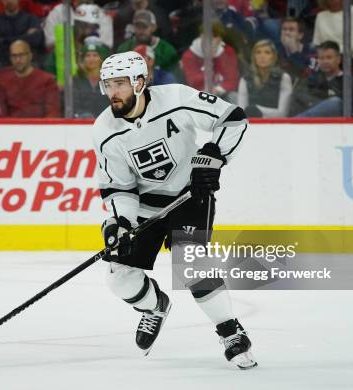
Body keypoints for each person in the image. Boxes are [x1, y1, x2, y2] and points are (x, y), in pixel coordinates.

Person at [91, 51, 257, 369]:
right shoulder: (104, 129)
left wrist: (214, 155)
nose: (113, 92)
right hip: (143, 207)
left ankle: (231, 331)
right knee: (119, 277)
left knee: (193, 270)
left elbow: (233, 118)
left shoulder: (176, 98)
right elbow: (118, 187)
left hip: (188, 196)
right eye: (108, 84)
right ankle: (155, 307)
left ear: (140, 82)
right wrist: (122, 223)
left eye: (120, 84)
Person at [291, 40, 353, 117]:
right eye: (321, 58)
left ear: (338, 59)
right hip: (312, 125)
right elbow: (298, 96)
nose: (325, 61)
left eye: (329, 58)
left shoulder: (350, 81)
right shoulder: (312, 79)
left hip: (339, 125)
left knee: (335, 103)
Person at [0, 39, 61, 117]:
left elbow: (53, 112)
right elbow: (1, 115)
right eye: (14, 56)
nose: (18, 60)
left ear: (30, 56)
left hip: (40, 127)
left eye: (21, 55)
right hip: (12, 127)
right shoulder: (2, 81)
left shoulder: (47, 80)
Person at [181, 21, 240, 101]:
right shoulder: (189, 55)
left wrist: (219, 90)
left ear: (220, 38)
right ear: (201, 36)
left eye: (214, 36)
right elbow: (193, 81)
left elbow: (232, 78)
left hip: (222, 93)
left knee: (235, 97)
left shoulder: (228, 51)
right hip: (198, 96)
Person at [238, 39, 292, 118]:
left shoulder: (283, 78)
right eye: (258, 52)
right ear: (254, 57)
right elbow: (242, 112)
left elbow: (283, 113)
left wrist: (257, 110)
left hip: (277, 126)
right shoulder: (245, 80)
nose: (262, 56)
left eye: (267, 52)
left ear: (273, 57)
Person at [0, 0, 44, 67]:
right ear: (1, 1)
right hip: (3, 63)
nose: (9, 1)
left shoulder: (31, 19)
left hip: (30, 62)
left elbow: (36, 40)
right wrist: (26, 36)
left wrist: (4, 40)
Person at [312, 0, 353, 64]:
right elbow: (317, 43)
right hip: (325, 59)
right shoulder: (320, 16)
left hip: (351, 57)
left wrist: (330, 54)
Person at [44, 0, 113, 49]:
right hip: (64, 57)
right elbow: (50, 42)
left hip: (92, 58)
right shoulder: (58, 11)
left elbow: (105, 45)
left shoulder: (100, 14)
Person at [73, 40, 109, 118]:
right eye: (88, 55)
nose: (91, 59)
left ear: (101, 59)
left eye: (95, 55)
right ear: (83, 59)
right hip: (81, 122)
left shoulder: (108, 80)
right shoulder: (76, 80)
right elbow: (73, 105)